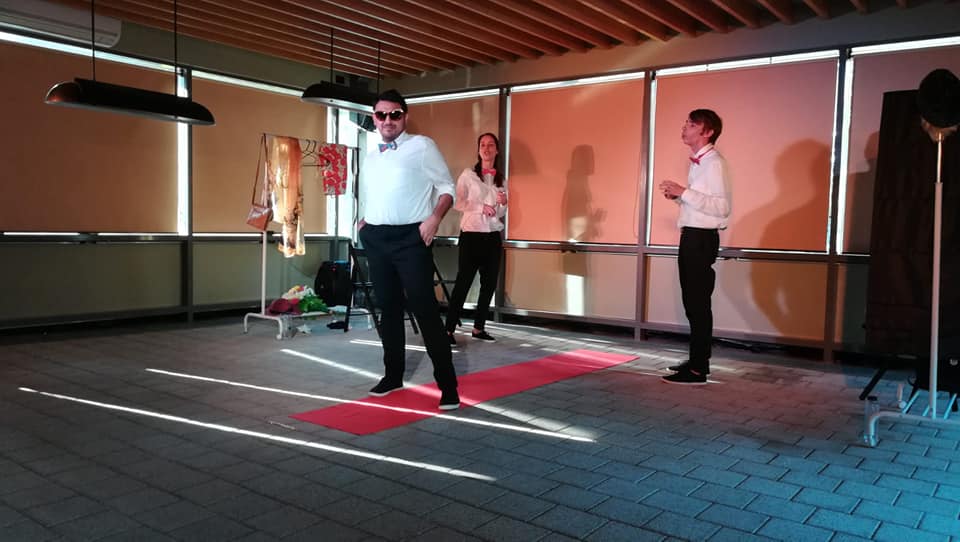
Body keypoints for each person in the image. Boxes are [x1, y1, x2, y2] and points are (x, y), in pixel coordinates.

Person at [358, 89, 460, 410]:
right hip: (376, 238)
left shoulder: (422, 146)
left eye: (395, 114)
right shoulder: (371, 154)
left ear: (405, 116)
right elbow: (377, 193)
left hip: (411, 238)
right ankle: (392, 376)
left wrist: (434, 219)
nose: (388, 120)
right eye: (381, 114)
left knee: (424, 309)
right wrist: (365, 221)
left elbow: (447, 187)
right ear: (374, 118)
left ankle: (448, 386)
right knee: (388, 310)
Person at [658, 109, 732, 385]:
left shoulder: (713, 163)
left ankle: (699, 369)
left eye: (691, 124)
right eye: (685, 122)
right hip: (692, 236)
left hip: (701, 239)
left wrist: (684, 192)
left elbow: (722, 207)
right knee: (693, 303)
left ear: (707, 132)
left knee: (697, 303)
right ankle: (697, 360)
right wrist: (678, 198)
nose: (684, 127)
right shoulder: (700, 163)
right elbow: (702, 204)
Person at [445, 133, 507, 345]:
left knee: (489, 285)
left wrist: (503, 203)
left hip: (492, 237)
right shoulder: (468, 175)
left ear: (497, 150)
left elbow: (499, 214)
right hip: (471, 235)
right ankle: (448, 330)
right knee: (463, 283)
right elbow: (457, 202)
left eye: (491, 145)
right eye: (483, 145)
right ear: (478, 150)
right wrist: (482, 207)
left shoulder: (501, 179)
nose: (486, 148)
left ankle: (479, 328)